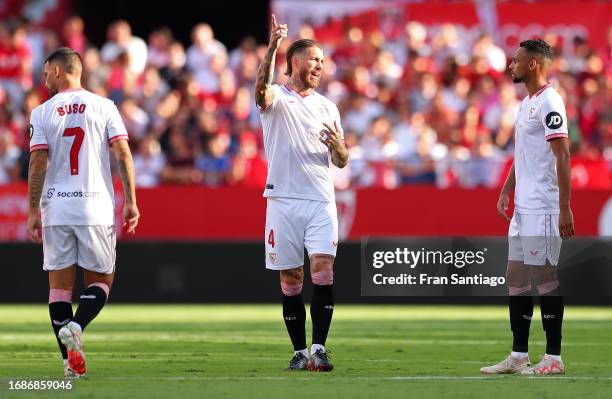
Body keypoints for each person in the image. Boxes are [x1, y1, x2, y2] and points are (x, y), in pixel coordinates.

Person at [27, 47, 139, 378]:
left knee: (59, 289)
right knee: (102, 281)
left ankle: (68, 364)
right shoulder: (104, 106)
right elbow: (123, 153)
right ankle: (77, 326)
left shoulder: (42, 112)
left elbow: (37, 163)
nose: (44, 77)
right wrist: (131, 201)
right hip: (95, 205)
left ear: (60, 71)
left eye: (47, 72)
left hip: (57, 206)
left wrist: (33, 210)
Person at [255, 15, 348, 372]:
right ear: (295, 62)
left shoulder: (328, 107)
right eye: (314, 60)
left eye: (322, 62)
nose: (320, 66)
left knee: (323, 270)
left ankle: (320, 348)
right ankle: (297, 351)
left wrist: (339, 146)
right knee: (291, 278)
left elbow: (341, 160)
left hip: (321, 200)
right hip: (282, 199)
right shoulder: (277, 97)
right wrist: (273, 45)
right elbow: (259, 90)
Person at [480, 39, 573, 376]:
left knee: (545, 278)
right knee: (515, 277)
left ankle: (554, 358)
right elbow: (524, 156)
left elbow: (563, 154)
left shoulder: (551, 102)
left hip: (543, 207)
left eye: (516, 60)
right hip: (522, 207)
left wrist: (565, 208)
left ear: (533, 64)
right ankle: (519, 354)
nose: (511, 65)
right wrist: (507, 189)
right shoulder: (525, 104)